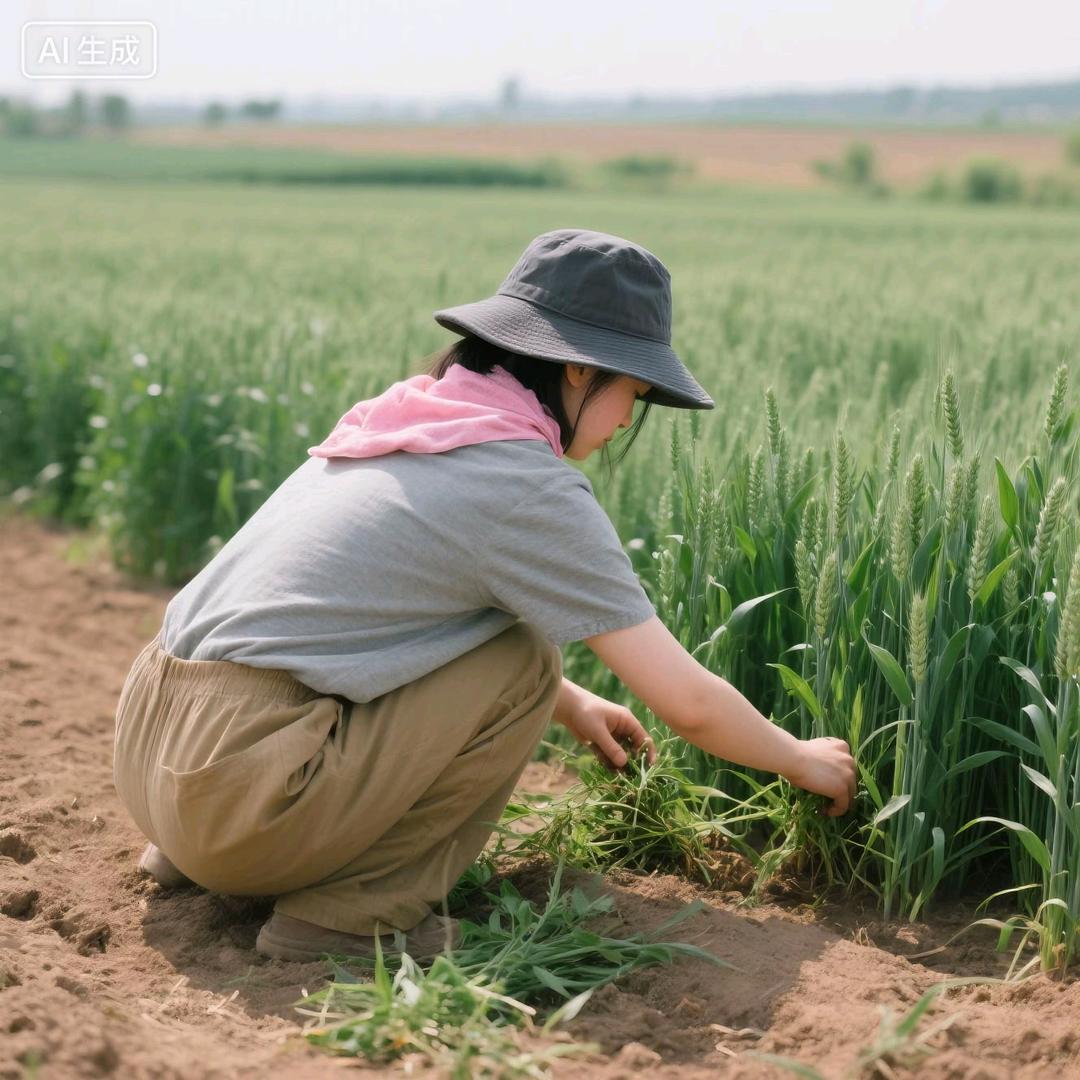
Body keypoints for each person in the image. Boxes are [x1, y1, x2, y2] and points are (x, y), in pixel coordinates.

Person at [112, 228, 857, 963]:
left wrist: (572, 703)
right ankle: (352, 917)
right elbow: (687, 703)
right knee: (524, 659)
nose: (631, 416)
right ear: (576, 370)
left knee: (528, 669)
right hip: (238, 802)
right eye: (633, 389)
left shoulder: (407, 422)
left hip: (152, 762)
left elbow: (356, 623)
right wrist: (801, 759)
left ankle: (199, 856)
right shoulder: (521, 480)